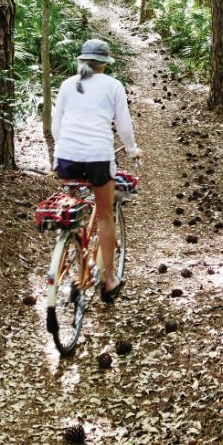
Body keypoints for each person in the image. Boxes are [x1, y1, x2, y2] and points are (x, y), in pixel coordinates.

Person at [51, 38, 141, 303]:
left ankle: (74, 255)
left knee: (74, 208)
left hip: (66, 158)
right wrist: (132, 149)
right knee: (103, 216)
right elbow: (123, 126)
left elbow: (58, 126)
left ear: (82, 60)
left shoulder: (68, 84)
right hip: (98, 159)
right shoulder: (113, 86)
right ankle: (109, 280)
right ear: (104, 64)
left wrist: (64, 149)